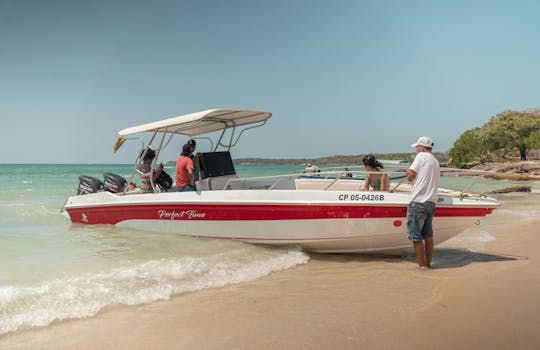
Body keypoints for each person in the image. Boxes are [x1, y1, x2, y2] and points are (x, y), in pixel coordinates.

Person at [406, 136, 441, 269]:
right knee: (428, 236)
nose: (416, 149)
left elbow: (410, 176)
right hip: (431, 202)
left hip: (419, 201)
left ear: (422, 147)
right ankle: (428, 264)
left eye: (417, 146)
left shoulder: (421, 156)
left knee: (416, 236)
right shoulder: (435, 161)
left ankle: (422, 267)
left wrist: (407, 171)